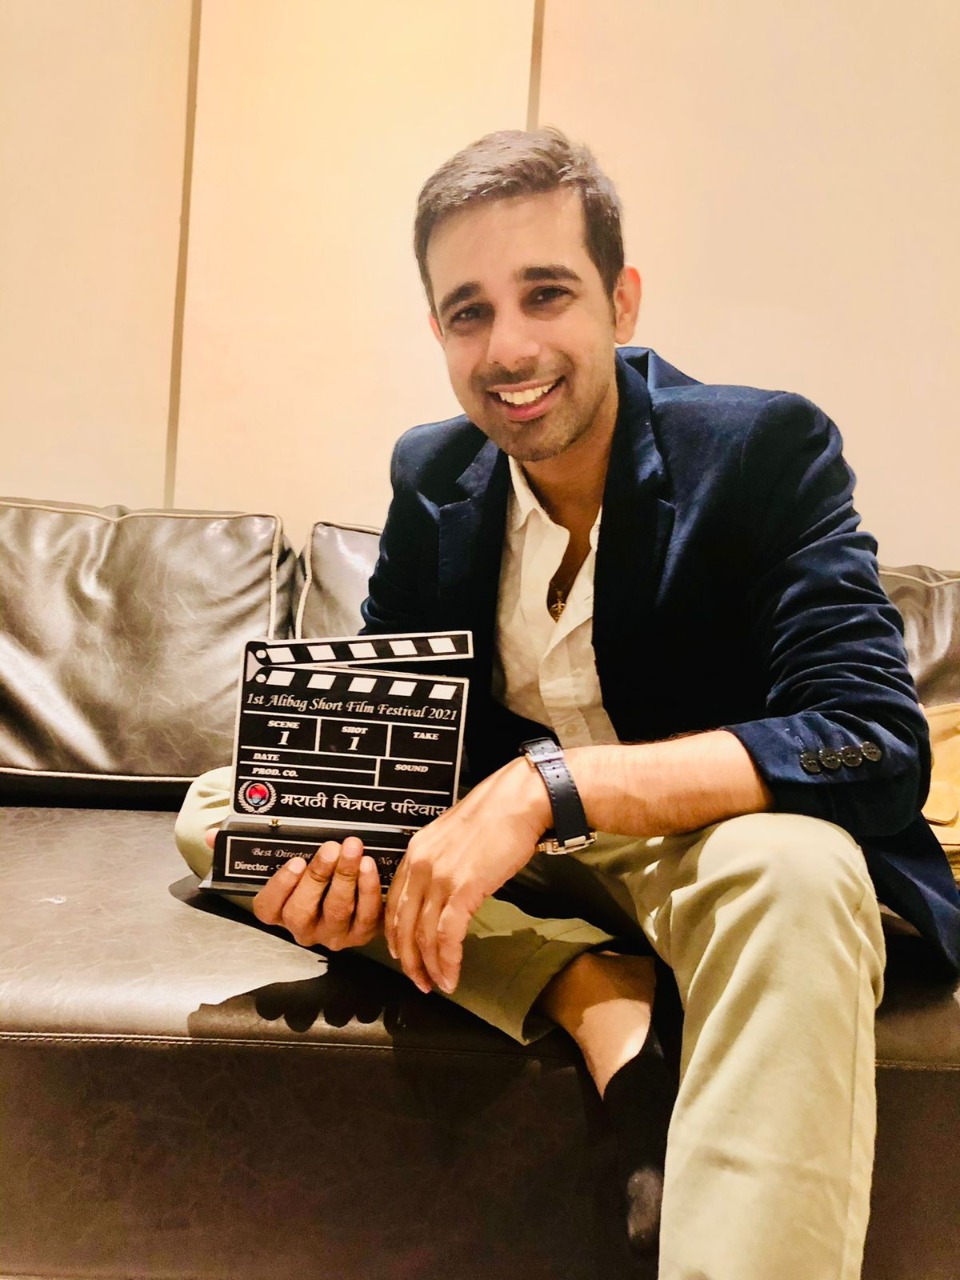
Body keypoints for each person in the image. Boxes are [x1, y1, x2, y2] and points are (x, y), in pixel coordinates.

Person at [176, 128, 960, 1279]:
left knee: (800, 867)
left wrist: (548, 788)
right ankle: (592, 990)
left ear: (621, 300)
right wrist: (347, 868)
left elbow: (872, 741)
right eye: (469, 312)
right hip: (548, 882)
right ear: (439, 331)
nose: (509, 347)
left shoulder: (760, 447)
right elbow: (397, 735)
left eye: (546, 293)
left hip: (714, 854)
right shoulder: (434, 474)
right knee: (229, 807)